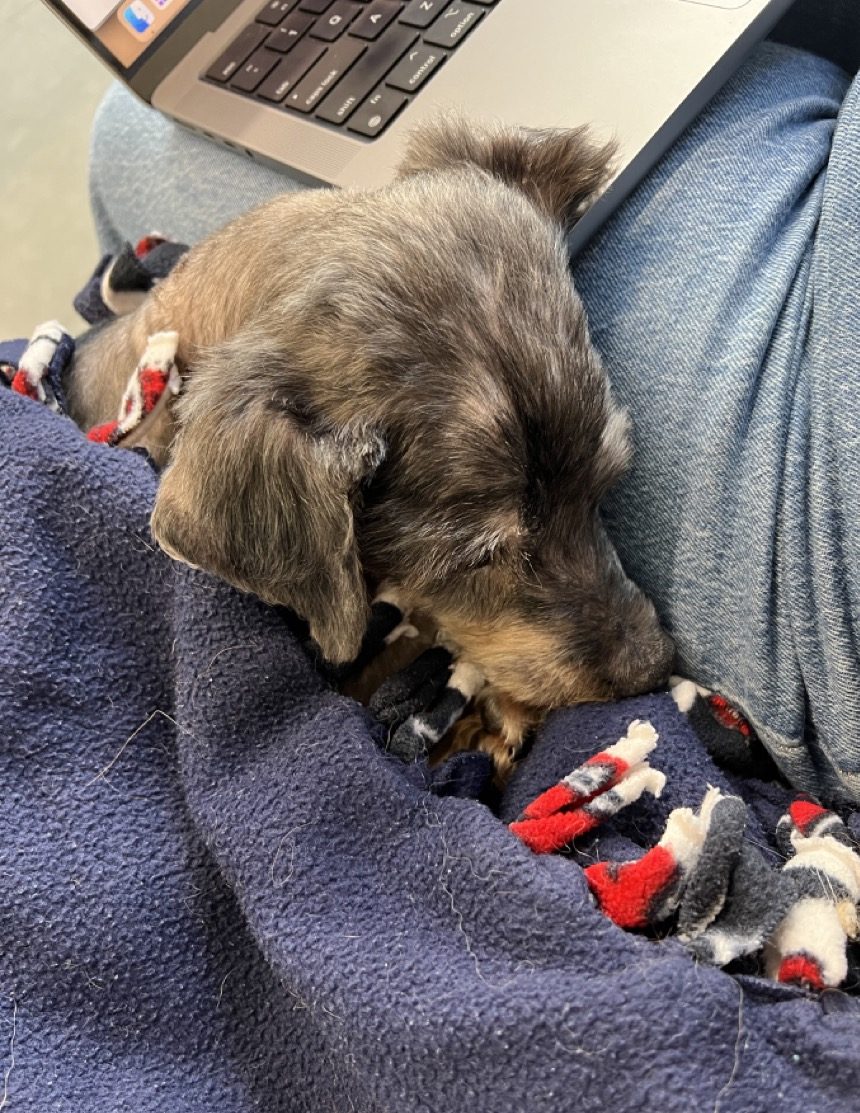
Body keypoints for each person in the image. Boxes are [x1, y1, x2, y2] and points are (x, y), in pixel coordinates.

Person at [87, 0, 860, 804]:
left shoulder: (506, 205)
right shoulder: (276, 433)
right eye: (487, 553)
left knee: (126, 137)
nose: (637, 652)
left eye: (592, 493)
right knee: (124, 123)